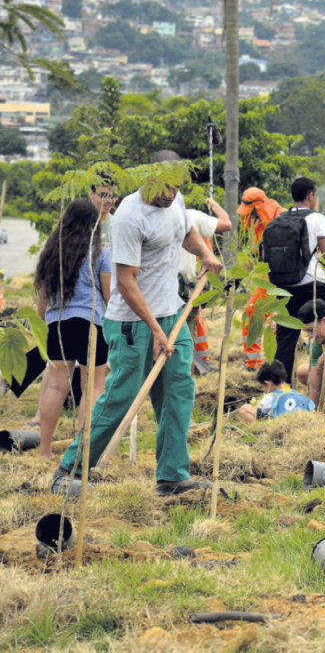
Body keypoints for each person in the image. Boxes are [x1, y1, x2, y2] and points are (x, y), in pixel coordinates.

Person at [53, 150, 224, 496]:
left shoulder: (173, 200)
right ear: (149, 178)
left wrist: (204, 253)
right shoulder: (129, 217)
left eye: (177, 188)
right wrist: (157, 331)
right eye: (166, 188)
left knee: (179, 389)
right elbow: (126, 282)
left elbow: (185, 230)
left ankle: (172, 476)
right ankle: (69, 468)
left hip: (171, 312)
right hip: (133, 322)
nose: (172, 195)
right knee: (122, 397)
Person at [32, 200, 111, 460]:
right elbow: (109, 296)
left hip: (58, 322)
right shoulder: (100, 253)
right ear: (94, 225)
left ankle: (44, 451)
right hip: (91, 322)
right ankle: (82, 453)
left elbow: (42, 299)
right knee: (93, 386)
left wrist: (42, 324)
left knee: (55, 386)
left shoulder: (52, 252)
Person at [271, 177, 325, 380]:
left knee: (286, 336)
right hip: (312, 283)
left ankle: (279, 385)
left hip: (284, 286)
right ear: (311, 196)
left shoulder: (280, 218)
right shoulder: (316, 218)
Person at [179, 196, 232, 374]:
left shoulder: (148, 215)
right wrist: (215, 204)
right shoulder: (191, 216)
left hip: (170, 288)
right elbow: (226, 223)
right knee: (187, 337)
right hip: (185, 288)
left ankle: (187, 373)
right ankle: (188, 374)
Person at [237, 186, 284, 370]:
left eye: (251, 212)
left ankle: (281, 363)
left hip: (284, 279)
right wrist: (236, 279)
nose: (248, 216)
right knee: (251, 312)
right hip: (268, 278)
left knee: (278, 321)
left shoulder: (281, 218)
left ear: (258, 207)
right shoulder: (259, 225)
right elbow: (256, 256)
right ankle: (253, 362)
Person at [236, 359, 314, 423]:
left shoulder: (269, 398)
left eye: (263, 387)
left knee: (244, 409)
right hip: (300, 423)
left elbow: (259, 411)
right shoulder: (296, 393)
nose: (264, 390)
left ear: (268, 384)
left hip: (278, 424)